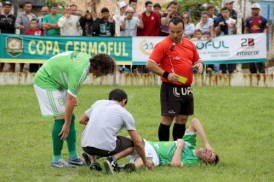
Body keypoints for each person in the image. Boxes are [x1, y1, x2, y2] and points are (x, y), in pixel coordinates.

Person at [33, 51, 115, 168]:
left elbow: (66, 70)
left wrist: (71, 96)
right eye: (105, 72)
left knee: (71, 116)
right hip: (46, 81)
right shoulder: (80, 70)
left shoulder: (87, 62)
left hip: (57, 81)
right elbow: (71, 98)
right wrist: (66, 124)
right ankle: (56, 159)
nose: (104, 75)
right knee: (62, 119)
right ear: (99, 67)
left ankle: (73, 157)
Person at [146, 17, 203, 142]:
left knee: (182, 120)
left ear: (183, 30)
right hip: (170, 88)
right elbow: (150, 64)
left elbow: (197, 60)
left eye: (178, 32)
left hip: (186, 88)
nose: (174, 34)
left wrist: (199, 64)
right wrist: (166, 74)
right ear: (168, 30)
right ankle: (164, 150)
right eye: (172, 31)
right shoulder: (163, 45)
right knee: (167, 120)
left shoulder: (190, 44)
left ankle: (178, 149)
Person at [79, 88, 154, 174]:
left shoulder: (98, 103)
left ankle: (94, 162)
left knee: (89, 127)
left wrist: (98, 124)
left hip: (85, 147)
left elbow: (81, 120)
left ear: (109, 99)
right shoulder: (124, 113)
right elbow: (138, 143)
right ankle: (111, 160)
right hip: (104, 148)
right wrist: (145, 161)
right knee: (133, 143)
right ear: (124, 101)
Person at [123, 118, 220, 169]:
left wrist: (180, 147)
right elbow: (194, 121)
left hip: (156, 157)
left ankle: (121, 168)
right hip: (150, 145)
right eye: (210, 151)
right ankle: (112, 158)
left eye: (208, 156)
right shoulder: (190, 144)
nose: (207, 152)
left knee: (138, 163)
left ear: (204, 162)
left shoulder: (193, 161)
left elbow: (175, 164)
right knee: (131, 139)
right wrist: (207, 144)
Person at [244, 3, 268, 74]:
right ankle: (253, 70)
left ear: (259, 10)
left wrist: (262, 36)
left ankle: (261, 70)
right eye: (253, 9)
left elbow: (266, 29)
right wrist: (245, 37)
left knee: (259, 54)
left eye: (256, 9)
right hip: (251, 41)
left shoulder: (263, 19)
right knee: (251, 55)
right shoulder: (248, 19)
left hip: (259, 41)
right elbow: (246, 29)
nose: (254, 11)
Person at [120, 7, 144, 73]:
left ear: (133, 13)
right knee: (125, 55)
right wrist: (125, 20)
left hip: (133, 41)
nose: (130, 14)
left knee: (134, 55)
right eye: (129, 12)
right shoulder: (121, 18)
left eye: (131, 13)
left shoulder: (135, 19)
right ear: (126, 13)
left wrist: (141, 19)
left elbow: (141, 27)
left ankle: (134, 69)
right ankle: (125, 69)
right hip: (124, 40)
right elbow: (122, 28)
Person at [15, 1, 36, 72]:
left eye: (30, 7)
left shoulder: (34, 16)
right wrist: (19, 26)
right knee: (23, 54)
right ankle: (21, 70)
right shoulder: (21, 15)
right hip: (24, 38)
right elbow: (16, 24)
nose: (28, 8)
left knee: (32, 54)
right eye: (27, 6)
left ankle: (32, 70)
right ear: (24, 7)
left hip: (33, 39)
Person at [215, 7, 236, 74]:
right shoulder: (218, 20)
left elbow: (235, 32)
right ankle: (223, 71)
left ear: (229, 12)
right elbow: (217, 32)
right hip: (221, 42)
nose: (225, 14)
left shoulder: (233, 21)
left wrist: (234, 25)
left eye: (226, 12)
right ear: (221, 13)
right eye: (223, 12)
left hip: (230, 41)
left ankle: (231, 70)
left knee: (230, 55)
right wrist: (219, 25)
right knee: (222, 56)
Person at [0, 0, 16, 73]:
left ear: (10, 8)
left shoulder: (13, 17)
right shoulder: (0, 16)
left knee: (11, 55)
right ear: (3, 7)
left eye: (8, 7)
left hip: (11, 39)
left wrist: (4, 24)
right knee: (2, 55)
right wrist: (8, 24)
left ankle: (13, 71)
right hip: (2, 39)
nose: (7, 9)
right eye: (6, 7)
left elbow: (13, 26)